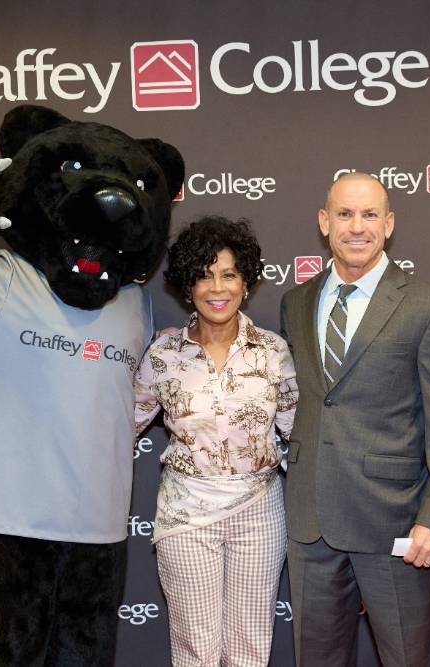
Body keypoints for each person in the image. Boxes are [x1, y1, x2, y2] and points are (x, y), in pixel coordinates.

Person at [280, 173, 430, 666]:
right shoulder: (297, 301)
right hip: (312, 523)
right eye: (344, 214)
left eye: (370, 215)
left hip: (396, 524)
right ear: (324, 222)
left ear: (389, 225)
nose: (357, 227)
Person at [134, 215, 298, 667]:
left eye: (229, 274)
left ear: (246, 282)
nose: (217, 287)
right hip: (186, 515)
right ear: (188, 286)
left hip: (258, 512)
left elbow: (298, 432)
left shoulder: (273, 351)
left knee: (250, 643)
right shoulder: (163, 354)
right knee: (194, 645)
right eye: (204, 275)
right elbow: (120, 424)